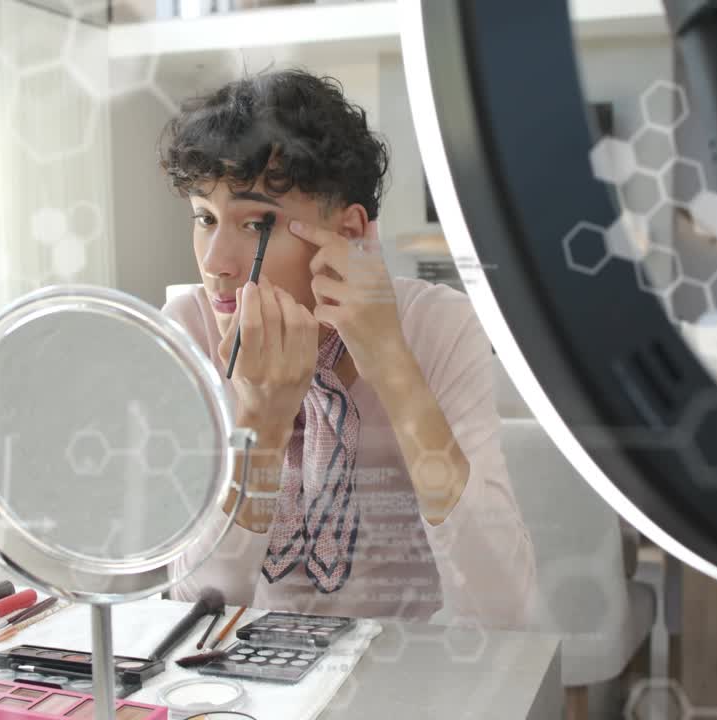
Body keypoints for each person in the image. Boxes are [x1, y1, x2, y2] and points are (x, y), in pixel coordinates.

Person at [158, 68, 536, 629]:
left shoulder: (439, 327)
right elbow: (194, 610)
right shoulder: (189, 330)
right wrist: (259, 424)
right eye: (205, 218)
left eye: (256, 222)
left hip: (410, 674)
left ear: (351, 233)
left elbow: (502, 607)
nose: (216, 262)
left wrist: (392, 366)